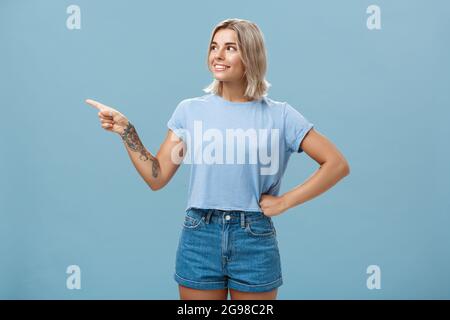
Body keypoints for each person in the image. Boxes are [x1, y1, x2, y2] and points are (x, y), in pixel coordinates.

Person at [85, 18, 350, 300]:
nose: (218, 55)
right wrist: (128, 131)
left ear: (250, 56)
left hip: (254, 237)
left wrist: (285, 201)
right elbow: (157, 176)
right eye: (214, 47)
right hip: (200, 234)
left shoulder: (280, 115)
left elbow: (336, 163)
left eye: (230, 48)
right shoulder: (190, 111)